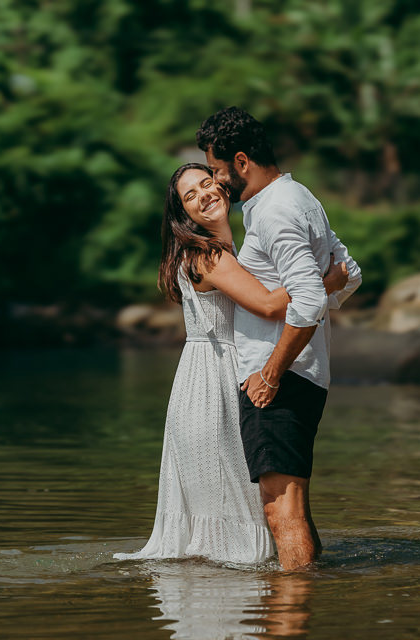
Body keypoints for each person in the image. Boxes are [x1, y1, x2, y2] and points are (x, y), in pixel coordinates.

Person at [114, 163, 349, 565]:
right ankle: (235, 607)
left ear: (222, 185)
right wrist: (330, 280)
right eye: (191, 195)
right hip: (212, 379)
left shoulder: (229, 252)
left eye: (207, 183)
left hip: (222, 370)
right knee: (235, 498)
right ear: (183, 214)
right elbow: (271, 305)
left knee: (248, 497)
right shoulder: (207, 255)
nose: (204, 194)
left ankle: (240, 601)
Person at [196, 107, 362, 570]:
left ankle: (290, 616)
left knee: (280, 509)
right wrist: (323, 290)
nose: (216, 180)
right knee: (292, 505)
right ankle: (300, 605)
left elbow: (308, 299)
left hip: (282, 377)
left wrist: (270, 373)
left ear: (241, 161)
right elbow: (349, 273)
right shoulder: (299, 197)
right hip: (305, 372)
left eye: (216, 169)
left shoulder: (275, 211)